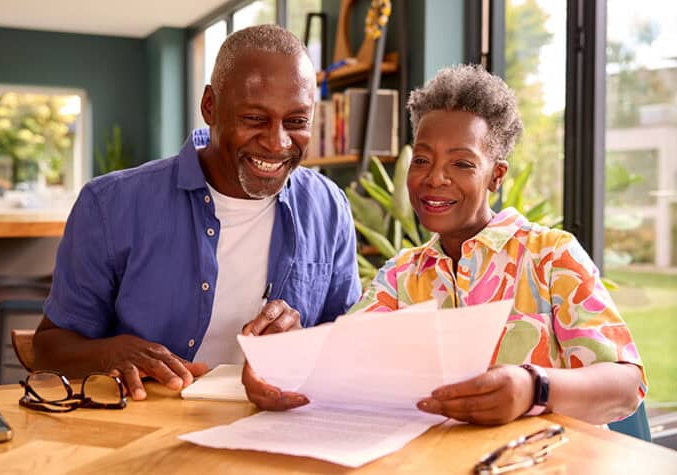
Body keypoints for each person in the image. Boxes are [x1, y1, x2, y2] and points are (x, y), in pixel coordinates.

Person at [33, 25, 361, 402]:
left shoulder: (328, 207)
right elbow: (47, 349)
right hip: (142, 431)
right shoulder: (110, 205)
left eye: (296, 122)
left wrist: (303, 347)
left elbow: (346, 345)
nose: (277, 142)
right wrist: (110, 352)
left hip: (277, 426)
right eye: (255, 118)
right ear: (210, 106)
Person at [346, 64, 646, 425]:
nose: (434, 178)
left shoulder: (551, 256)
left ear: (496, 176)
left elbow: (626, 386)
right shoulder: (398, 277)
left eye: (461, 163)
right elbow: (339, 363)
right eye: (422, 160)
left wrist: (534, 388)